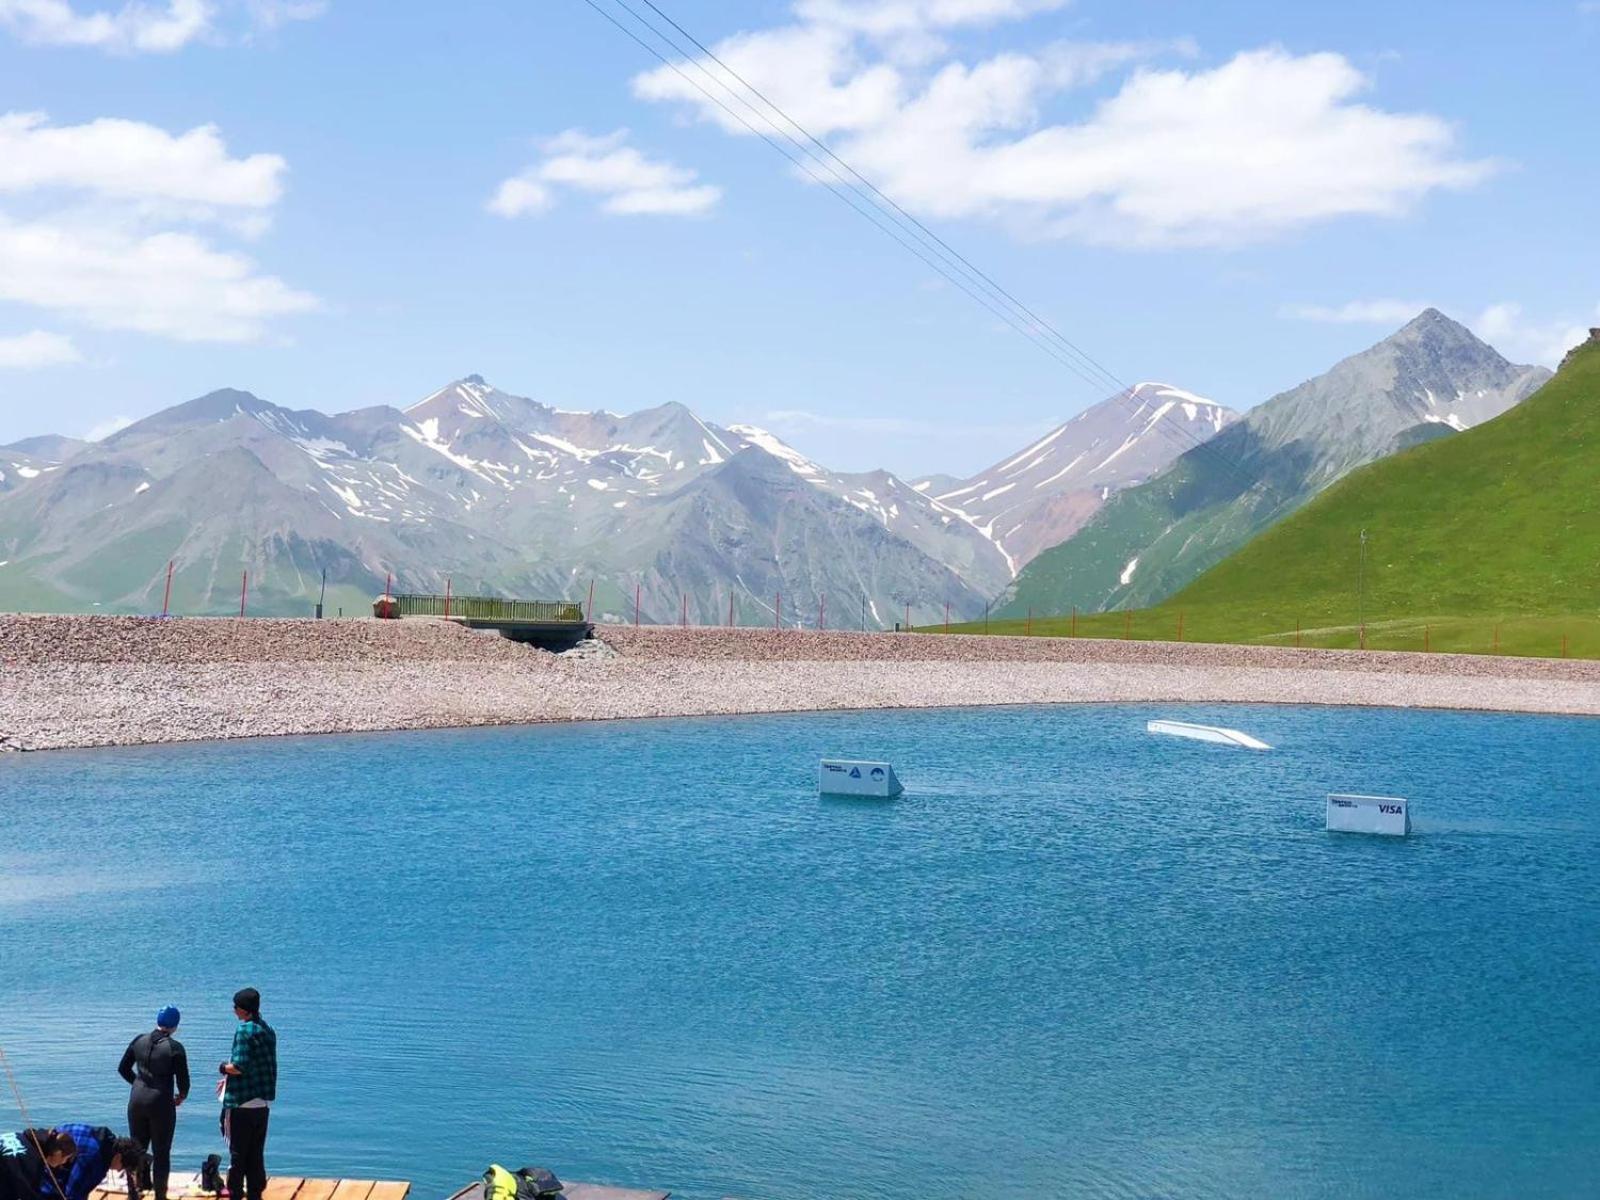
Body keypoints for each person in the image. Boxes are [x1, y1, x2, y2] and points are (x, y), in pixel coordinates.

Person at [118, 1006, 190, 1200]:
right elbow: (184, 1081)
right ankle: (160, 1196)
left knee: (137, 1149)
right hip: (161, 1102)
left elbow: (122, 1068)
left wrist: (138, 1084)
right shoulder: (175, 1049)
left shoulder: (138, 1040)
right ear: (175, 1026)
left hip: (137, 1100)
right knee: (161, 1151)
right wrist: (181, 1096)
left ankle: (135, 1191)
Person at [218, 988, 275, 1200]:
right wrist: (229, 1077)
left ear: (243, 1009)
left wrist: (223, 1068)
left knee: (238, 1153)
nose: (234, 1011)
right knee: (256, 1152)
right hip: (262, 1103)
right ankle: (255, 1193)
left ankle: (234, 1192)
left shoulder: (244, 1031)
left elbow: (240, 1066)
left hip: (241, 1104)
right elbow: (258, 1065)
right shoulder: (267, 1030)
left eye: (235, 1007)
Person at [45, 1126, 143, 1200]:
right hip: (48, 1164)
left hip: (53, 1142)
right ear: (118, 1157)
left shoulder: (106, 1139)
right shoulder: (94, 1161)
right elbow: (73, 1193)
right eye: (122, 1168)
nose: (118, 1171)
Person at [0, 1130, 74, 1200]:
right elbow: (28, 1195)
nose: (63, 1163)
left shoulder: (19, 1136)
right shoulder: (32, 1163)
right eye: (67, 1159)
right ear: (58, 1153)